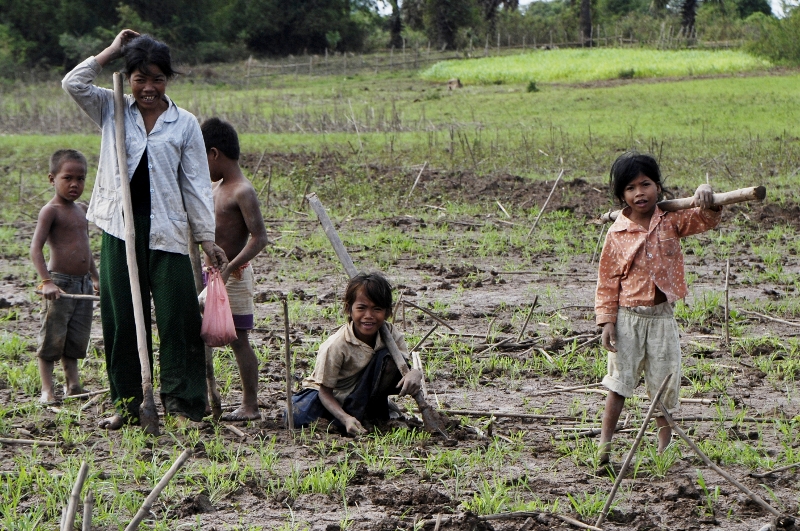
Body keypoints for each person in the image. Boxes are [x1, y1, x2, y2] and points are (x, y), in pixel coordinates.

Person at [62, 30, 228, 429]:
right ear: (128, 78)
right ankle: (128, 403)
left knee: (178, 317)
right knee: (121, 318)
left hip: (168, 230)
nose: (149, 88)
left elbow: (195, 183)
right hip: (120, 229)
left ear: (167, 79)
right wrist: (112, 51)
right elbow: (73, 83)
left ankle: (182, 404)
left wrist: (206, 238)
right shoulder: (112, 107)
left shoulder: (184, 123)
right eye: (140, 79)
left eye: (157, 79)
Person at [595, 152, 722, 465]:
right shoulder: (617, 232)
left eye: (645, 184)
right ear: (622, 196)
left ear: (658, 187)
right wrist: (607, 321)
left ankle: (664, 451)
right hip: (627, 318)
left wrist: (706, 197)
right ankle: (604, 446)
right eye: (630, 188)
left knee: (664, 383)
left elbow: (706, 219)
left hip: (662, 318)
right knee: (619, 382)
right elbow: (607, 281)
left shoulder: (671, 219)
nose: (639, 193)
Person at [292, 272, 423, 435]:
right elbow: (325, 392)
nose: (369, 316)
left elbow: (402, 369)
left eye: (377, 309)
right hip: (330, 396)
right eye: (361, 308)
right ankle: (350, 419)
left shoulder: (390, 335)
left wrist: (415, 373)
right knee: (299, 415)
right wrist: (345, 418)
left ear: (388, 312)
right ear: (349, 309)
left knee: (389, 359)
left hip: (362, 394)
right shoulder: (336, 345)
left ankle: (370, 413)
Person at [201, 117, 269, 421]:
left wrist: (230, 268)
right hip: (210, 275)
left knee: (238, 339)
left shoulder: (242, 191)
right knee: (202, 334)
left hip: (234, 277)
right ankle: (204, 398)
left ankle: (250, 404)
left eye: (203, 157)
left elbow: (259, 238)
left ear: (214, 153)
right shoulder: (215, 188)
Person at [30, 149, 99, 404]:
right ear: (52, 179)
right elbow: (35, 248)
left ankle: (74, 384)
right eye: (67, 178)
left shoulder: (82, 209)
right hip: (59, 285)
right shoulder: (50, 211)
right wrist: (47, 281)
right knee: (52, 337)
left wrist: (95, 277)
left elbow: (86, 249)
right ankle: (47, 390)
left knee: (75, 337)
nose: (74, 184)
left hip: (82, 285)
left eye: (80, 179)